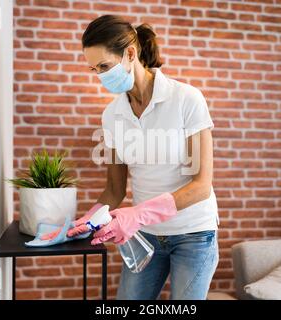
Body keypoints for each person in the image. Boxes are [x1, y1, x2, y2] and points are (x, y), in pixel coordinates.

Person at [43, 15, 219, 300]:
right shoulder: (111, 115)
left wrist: (138, 213)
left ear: (131, 54)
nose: (100, 76)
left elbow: (201, 185)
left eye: (105, 66)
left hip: (194, 234)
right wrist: (85, 222)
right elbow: (114, 190)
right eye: (94, 69)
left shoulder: (186, 99)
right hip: (145, 236)